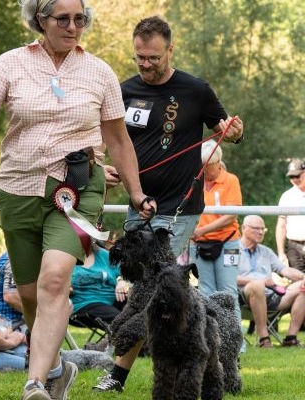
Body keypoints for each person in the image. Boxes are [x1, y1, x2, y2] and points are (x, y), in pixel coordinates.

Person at [0, 1, 155, 399]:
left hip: (78, 189)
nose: (73, 26)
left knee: (56, 279)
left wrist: (136, 191)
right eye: (63, 18)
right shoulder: (11, 64)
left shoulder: (99, 72)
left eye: (80, 19)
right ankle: (58, 368)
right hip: (18, 187)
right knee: (29, 294)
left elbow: (117, 140)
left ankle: (35, 383)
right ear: (40, 19)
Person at [95, 16, 244, 393]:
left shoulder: (195, 90)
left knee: (152, 286)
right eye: (139, 57)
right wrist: (103, 167)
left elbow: (225, 129)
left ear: (170, 50)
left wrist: (234, 131)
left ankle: (117, 372)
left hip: (179, 207)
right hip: (137, 203)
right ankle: (207, 352)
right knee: (140, 285)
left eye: (153, 58)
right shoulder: (123, 90)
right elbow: (106, 141)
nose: (145, 64)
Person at [189, 140, 242, 329]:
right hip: (198, 245)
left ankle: (236, 343)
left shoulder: (231, 180)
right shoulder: (196, 181)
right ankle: (211, 337)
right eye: (202, 166)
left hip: (228, 243)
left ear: (218, 163)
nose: (205, 170)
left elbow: (231, 215)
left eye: (208, 167)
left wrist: (203, 230)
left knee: (228, 292)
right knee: (205, 292)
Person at [238, 215, 305, 348]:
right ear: (244, 228)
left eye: (263, 229)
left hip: (272, 296)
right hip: (243, 298)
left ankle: (290, 338)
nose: (261, 232)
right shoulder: (232, 249)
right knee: (257, 285)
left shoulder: (266, 251)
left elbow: (285, 270)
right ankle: (264, 339)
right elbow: (228, 277)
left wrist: (303, 276)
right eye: (256, 228)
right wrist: (260, 281)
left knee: (303, 285)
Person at [70, 241, 128, 325]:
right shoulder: (66, 259)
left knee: (140, 310)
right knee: (121, 320)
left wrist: (121, 281)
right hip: (84, 305)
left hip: (114, 299)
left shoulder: (104, 255)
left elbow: (126, 271)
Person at [276, 158, 305, 273]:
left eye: (297, 176)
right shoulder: (286, 197)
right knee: (297, 285)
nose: (295, 180)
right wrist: (281, 253)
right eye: (291, 177)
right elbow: (281, 225)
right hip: (294, 247)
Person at [0, 252, 27, 333]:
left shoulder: (8, 255)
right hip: (11, 325)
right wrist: (36, 315)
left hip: (1, 322)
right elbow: (10, 297)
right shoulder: (14, 260)